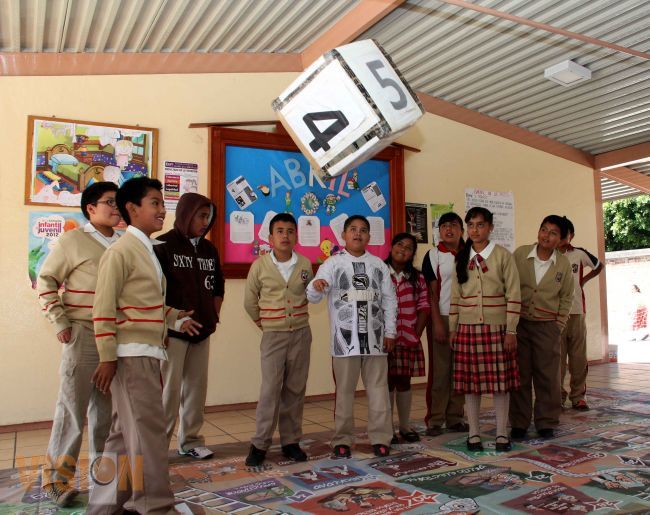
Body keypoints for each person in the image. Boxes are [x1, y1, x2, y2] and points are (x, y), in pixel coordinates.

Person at [88, 177, 200, 514]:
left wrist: (173, 316)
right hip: (131, 356)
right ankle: (155, 506)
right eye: (155, 202)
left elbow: (139, 303)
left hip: (145, 352)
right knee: (149, 434)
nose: (162, 210)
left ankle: (105, 504)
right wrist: (107, 358)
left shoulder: (145, 249)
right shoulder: (120, 251)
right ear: (132, 208)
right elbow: (103, 308)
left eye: (162, 203)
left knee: (122, 435)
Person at [36, 182, 121, 507]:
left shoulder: (124, 243)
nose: (116, 208)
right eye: (109, 202)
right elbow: (45, 280)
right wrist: (60, 321)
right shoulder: (73, 240)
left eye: (118, 203)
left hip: (113, 337)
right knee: (72, 411)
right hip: (82, 334)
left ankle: (104, 478)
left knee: (107, 413)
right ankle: (56, 481)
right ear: (90, 208)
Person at [307, 215, 397, 459]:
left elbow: (390, 300)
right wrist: (317, 286)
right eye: (353, 230)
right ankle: (342, 439)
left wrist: (390, 331)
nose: (358, 234)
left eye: (363, 230)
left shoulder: (379, 265)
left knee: (378, 390)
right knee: (344, 393)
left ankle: (380, 438)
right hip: (344, 341)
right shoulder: (333, 264)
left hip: (376, 339)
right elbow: (313, 295)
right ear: (344, 235)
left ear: (369, 236)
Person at [154, 193, 225, 459]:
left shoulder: (209, 249)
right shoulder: (162, 245)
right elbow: (153, 292)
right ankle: (158, 446)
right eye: (201, 216)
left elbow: (218, 285)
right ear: (186, 214)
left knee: (196, 390)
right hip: (172, 333)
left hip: (202, 332)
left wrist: (213, 316)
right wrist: (167, 323)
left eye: (209, 217)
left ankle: (191, 441)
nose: (205, 222)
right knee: (167, 394)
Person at [243, 213, 314, 466]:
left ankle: (291, 442)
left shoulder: (305, 264)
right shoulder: (260, 266)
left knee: (295, 389)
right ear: (270, 237)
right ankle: (260, 444)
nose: (285, 236)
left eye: (290, 231)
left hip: (301, 334)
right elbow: (249, 301)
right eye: (280, 231)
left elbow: (311, 294)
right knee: (270, 390)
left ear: (296, 235)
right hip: (273, 336)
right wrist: (265, 324)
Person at [449, 207, 521, 452]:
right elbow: (455, 298)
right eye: (471, 225)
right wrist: (453, 328)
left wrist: (511, 330)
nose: (475, 230)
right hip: (467, 330)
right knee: (471, 384)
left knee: (500, 384)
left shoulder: (503, 256)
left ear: (490, 227)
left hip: (497, 327)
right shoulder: (461, 258)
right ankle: (473, 434)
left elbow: (514, 294)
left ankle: (502, 433)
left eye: (480, 225)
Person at [510, 215, 574, 441]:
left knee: (548, 376)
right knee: (520, 375)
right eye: (544, 229)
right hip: (520, 325)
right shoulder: (520, 254)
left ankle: (546, 421)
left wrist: (558, 325)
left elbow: (567, 297)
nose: (546, 235)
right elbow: (508, 285)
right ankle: (519, 422)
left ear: (561, 240)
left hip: (548, 327)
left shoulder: (563, 264)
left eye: (553, 233)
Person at [422, 212, 468, 436]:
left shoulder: (471, 253)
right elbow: (431, 292)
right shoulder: (433, 255)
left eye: (453, 225)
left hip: (467, 319)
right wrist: (437, 322)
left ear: (462, 230)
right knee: (440, 371)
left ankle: (455, 417)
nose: (448, 230)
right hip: (441, 316)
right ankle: (436, 419)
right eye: (444, 226)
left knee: (461, 370)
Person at [384, 233, 430, 444]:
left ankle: (404, 425)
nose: (403, 249)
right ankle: (386, 428)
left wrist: (416, 333)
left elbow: (424, 307)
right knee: (385, 383)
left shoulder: (417, 278)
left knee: (403, 382)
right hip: (384, 340)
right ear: (392, 246)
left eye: (409, 247)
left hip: (407, 339)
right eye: (399, 244)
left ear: (413, 254)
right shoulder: (380, 272)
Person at [557, 217, 603, 411]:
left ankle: (578, 396)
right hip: (555, 315)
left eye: (562, 234)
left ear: (571, 236)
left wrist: (583, 281)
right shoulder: (547, 255)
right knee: (556, 359)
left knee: (578, 357)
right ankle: (557, 396)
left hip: (576, 313)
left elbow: (599, 265)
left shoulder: (579, 254)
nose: (558, 238)